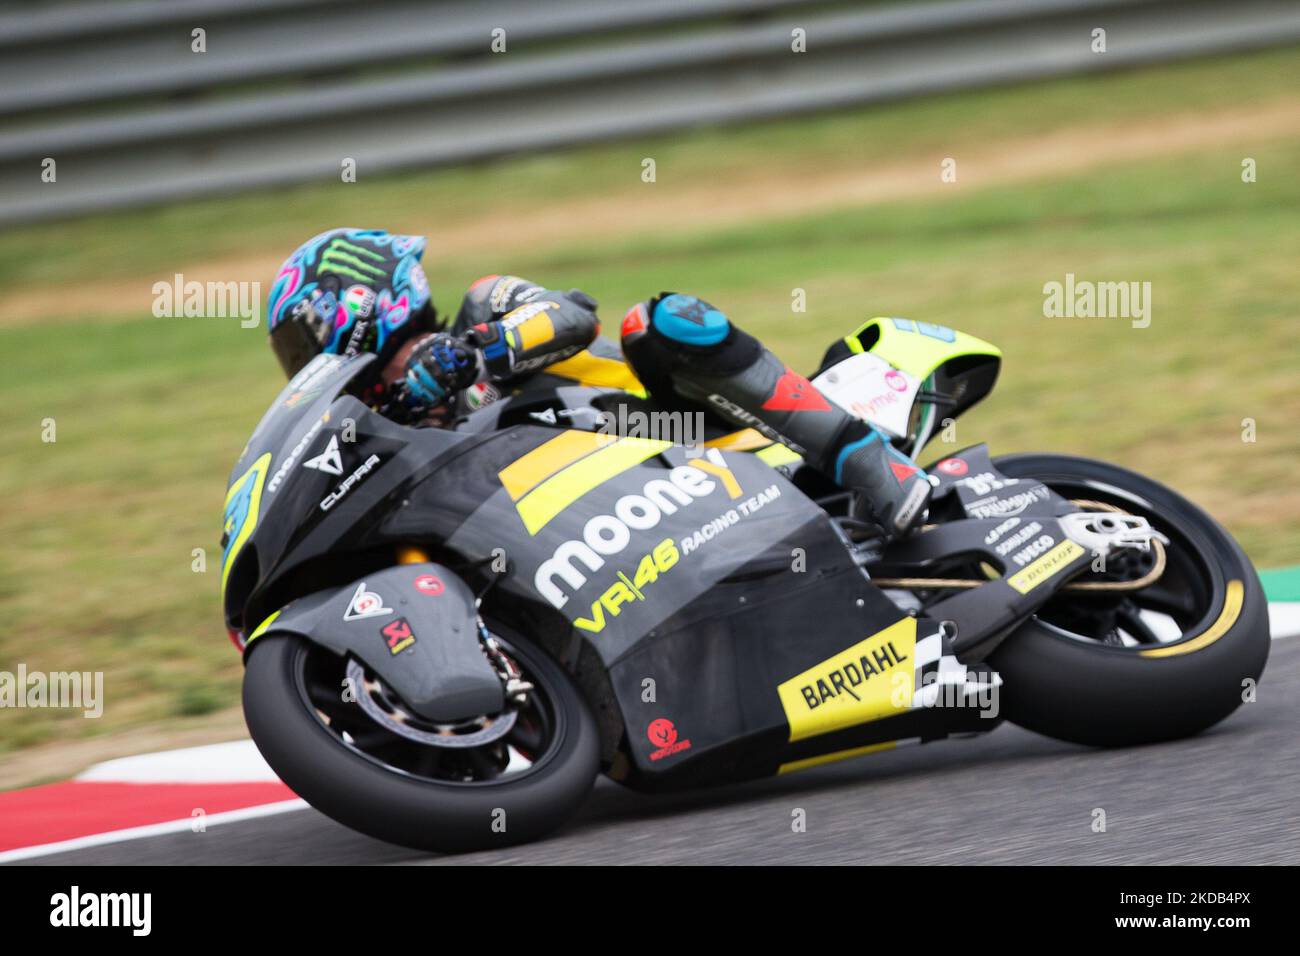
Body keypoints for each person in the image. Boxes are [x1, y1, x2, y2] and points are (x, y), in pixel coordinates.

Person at [266, 228, 931, 538]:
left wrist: (477, 352)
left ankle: (873, 466)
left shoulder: (481, 304)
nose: (300, 359)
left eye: (301, 338)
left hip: (691, 435)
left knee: (666, 322)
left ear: (358, 303)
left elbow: (574, 314)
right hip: (618, 534)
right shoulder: (391, 431)